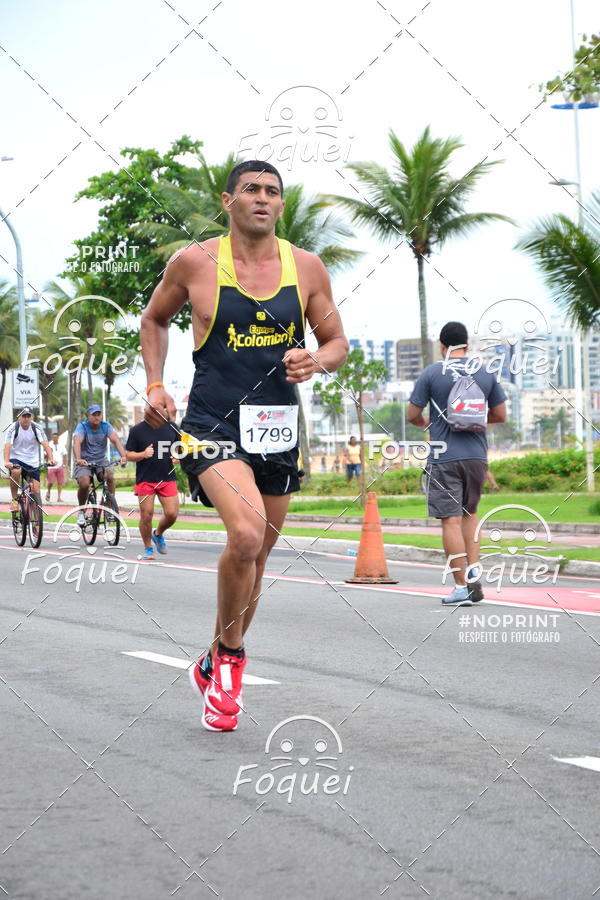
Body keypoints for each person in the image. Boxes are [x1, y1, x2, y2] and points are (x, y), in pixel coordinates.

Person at [141, 159, 348, 732]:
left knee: (257, 560)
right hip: (211, 425)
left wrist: (317, 358)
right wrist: (156, 382)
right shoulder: (195, 262)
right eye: (251, 190)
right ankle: (231, 665)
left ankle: (212, 657)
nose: (262, 198)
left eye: (273, 192)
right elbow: (154, 320)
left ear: (282, 205)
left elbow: (336, 341)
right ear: (228, 200)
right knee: (246, 533)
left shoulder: (306, 268)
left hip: (278, 428)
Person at [407, 321, 506, 606]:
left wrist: (430, 422)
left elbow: (411, 414)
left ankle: (461, 587)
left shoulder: (432, 373)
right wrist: (471, 419)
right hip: (477, 456)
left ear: (442, 346)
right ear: (467, 345)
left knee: (449, 520)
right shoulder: (484, 372)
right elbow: (500, 414)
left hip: (444, 456)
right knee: (470, 515)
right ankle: (474, 576)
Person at [125, 419, 180, 561]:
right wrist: (143, 454)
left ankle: (158, 533)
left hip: (167, 478)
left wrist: (177, 456)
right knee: (146, 515)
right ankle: (148, 548)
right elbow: (128, 455)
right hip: (146, 480)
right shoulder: (137, 430)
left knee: (172, 514)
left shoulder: (172, 427)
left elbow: (179, 448)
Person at [72, 405, 127, 526]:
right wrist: (78, 459)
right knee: (85, 483)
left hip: (101, 460)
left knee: (110, 476)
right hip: (84, 461)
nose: (97, 417)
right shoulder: (82, 427)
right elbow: (77, 442)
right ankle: (81, 511)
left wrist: (123, 456)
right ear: (88, 416)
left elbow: (116, 440)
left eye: (98, 414)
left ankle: (110, 507)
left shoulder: (106, 426)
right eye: (94, 415)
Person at [4, 408, 55, 510]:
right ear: (19, 417)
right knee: (16, 471)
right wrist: (6, 461)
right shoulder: (13, 428)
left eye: (28, 416)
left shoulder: (37, 428)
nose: (26, 419)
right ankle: (14, 500)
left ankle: (35, 521)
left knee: (36, 491)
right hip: (16, 458)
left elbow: (45, 444)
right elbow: (8, 446)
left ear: (32, 417)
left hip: (32, 461)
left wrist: (51, 459)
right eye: (24, 416)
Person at [45, 432, 67, 503]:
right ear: (52, 437)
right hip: (51, 467)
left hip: (60, 466)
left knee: (60, 482)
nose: (54, 438)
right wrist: (47, 457)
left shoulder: (61, 445)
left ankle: (59, 497)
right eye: (53, 437)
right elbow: (45, 455)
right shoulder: (49, 445)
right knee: (51, 482)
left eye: (56, 437)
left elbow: (65, 455)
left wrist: (64, 465)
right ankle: (48, 492)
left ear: (58, 437)